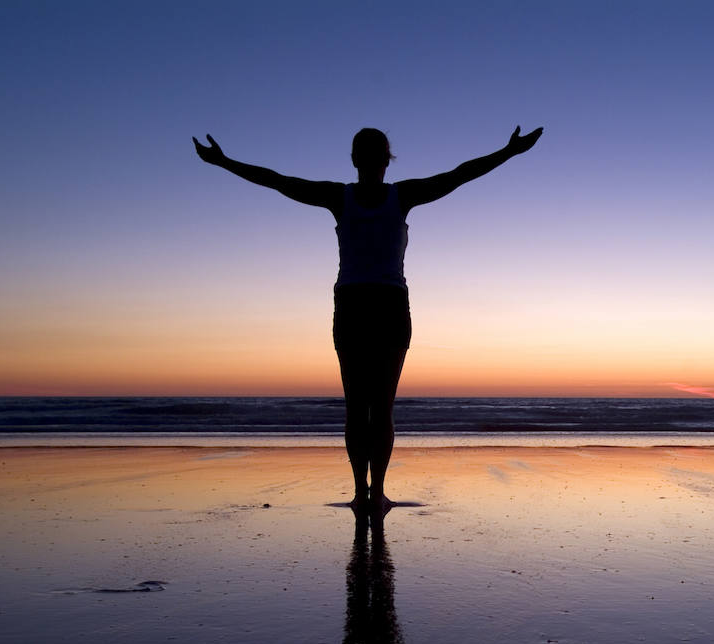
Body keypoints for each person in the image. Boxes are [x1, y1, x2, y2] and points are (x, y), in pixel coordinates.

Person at [193, 125, 543, 514]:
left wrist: (223, 162)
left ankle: (366, 492)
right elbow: (457, 175)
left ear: (357, 158)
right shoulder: (382, 195)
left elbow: (279, 181)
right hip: (378, 305)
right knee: (376, 409)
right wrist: (508, 152)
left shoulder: (355, 196)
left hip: (362, 305)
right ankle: (373, 493)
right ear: (383, 158)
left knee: (360, 409)